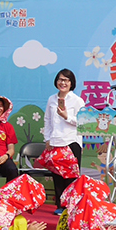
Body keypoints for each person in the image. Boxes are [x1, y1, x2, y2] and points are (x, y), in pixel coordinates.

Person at [44, 69, 85, 206]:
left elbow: (82, 122)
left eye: (66, 80)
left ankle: (71, 207)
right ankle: (60, 206)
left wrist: (66, 116)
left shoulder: (77, 100)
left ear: (71, 83)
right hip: (55, 142)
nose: (63, 83)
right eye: (60, 80)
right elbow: (47, 120)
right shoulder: (51, 99)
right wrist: (48, 139)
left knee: (71, 178)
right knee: (57, 176)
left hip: (71, 142)